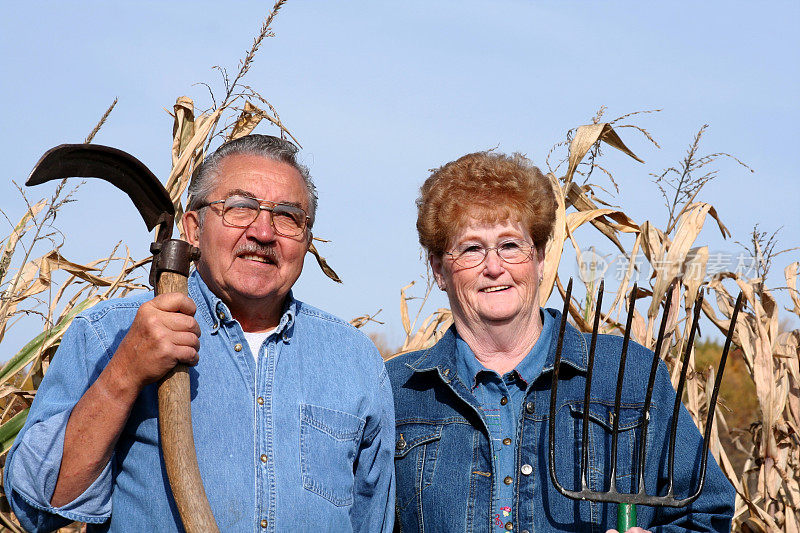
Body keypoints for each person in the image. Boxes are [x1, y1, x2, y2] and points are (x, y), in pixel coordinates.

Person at [5, 134, 395, 532]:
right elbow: (39, 503)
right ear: (193, 228)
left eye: (287, 216)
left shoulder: (354, 360)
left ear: (307, 240)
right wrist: (124, 374)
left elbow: (373, 520)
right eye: (240, 208)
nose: (263, 232)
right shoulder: (112, 332)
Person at [386, 151, 734, 532]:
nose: (493, 266)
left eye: (510, 245)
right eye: (471, 248)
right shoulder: (396, 391)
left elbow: (708, 514)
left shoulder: (629, 374)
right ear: (439, 269)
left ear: (538, 257)